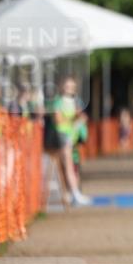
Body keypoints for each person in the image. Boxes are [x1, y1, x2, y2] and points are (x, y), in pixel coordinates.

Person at [52, 77, 92, 205]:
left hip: (73, 137)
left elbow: (82, 116)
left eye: (72, 86)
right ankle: (73, 193)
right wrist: (74, 121)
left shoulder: (76, 101)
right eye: (67, 85)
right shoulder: (58, 102)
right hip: (63, 136)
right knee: (67, 164)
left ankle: (72, 192)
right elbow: (58, 120)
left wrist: (78, 121)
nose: (70, 88)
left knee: (72, 164)